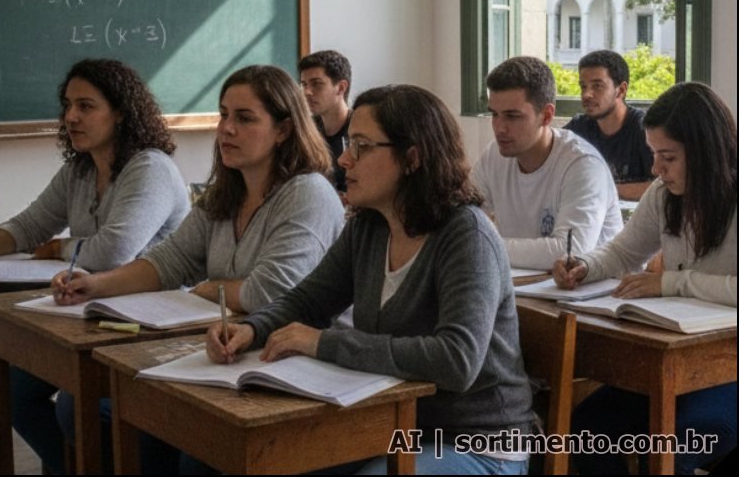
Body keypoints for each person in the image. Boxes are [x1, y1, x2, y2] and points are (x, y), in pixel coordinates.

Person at [205, 85, 534, 475]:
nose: (343, 159)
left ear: (411, 157)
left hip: (477, 440)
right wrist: (250, 329)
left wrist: (325, 343)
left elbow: (456, 361)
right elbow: (309, 301)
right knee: (225, 457)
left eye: (361, 146)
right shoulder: (369, 227)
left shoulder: (467, 236)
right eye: (347, 144)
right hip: (391, 426)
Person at [52, 64, 345, 473]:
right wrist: (96, 285)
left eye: (244, 118)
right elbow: (169, 261)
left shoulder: (307, 193)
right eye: (224, 114)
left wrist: (210, 288)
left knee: (194, 450)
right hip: (228, 350)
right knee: (82, 405)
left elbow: (274, 291)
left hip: (291, 364)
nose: (226, 129)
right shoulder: (226, 193)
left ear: (282, 129)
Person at [0, 57, 190, 476]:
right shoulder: (80, 169)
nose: (71, 117)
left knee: (74, 407)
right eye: (67, 106)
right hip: (95, 312)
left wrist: (60, 248)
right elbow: (30, 224)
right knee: (14, 390)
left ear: (120, 112)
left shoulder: (150, 168)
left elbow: (113, 252)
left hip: (152, 320)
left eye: (85, 106)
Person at [553, 82, 737, 475]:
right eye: (654, 155)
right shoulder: (664, 195)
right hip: (676, 361)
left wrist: (670, 282)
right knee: (586, 430)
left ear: (705, 153)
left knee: (678, 442)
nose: (656, 169)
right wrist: (584, 264)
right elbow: (623, 252)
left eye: (667, 157)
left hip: (730, 367)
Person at [472, 56, 622, 270]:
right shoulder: (493, 156)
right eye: (494, 114)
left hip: (593, 296)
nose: (499, 127)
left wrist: (483, 246)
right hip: (527, 289)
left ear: (547, 116)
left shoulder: (582, 164)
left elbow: (570, 252)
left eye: (512, 116)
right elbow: (464, 223)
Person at [564, 50, 654, 201]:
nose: (587, 94)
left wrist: (603, 188)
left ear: (622, 90)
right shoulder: (578, 128)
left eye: (597, 86)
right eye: (583, 86)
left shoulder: (644, 129)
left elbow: (663, 186)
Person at [299, 49, 352, 195]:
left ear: (341, 87)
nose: (307, 92)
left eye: (316, 84)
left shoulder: (362, 130)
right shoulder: (305, 130)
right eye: (304, 84)